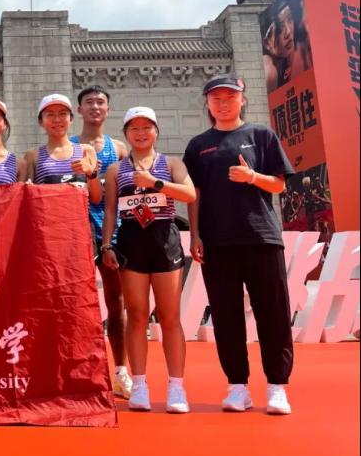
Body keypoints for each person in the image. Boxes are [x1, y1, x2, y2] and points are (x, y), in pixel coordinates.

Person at [184, 75, 295, 415]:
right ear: (207, 103)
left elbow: (279, 185)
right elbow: (194, 194)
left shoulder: (261, 135)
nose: (223, 103)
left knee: (273, 313)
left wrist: (253, 177)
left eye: (230, 97)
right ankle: (237, 387)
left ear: (242, 100)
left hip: (261, 237)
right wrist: (195, 234)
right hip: (218, 243)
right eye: (216, 98)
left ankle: (277, 387)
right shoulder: (198, 145)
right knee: (226, 316)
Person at [102, 106, 196, 413]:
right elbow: (111, 210)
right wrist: (106, 244)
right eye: (134, 128)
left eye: (146, 127)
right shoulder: (116, 170)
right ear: (126, 133)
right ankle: (140, 384)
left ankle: (176, 386)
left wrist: (155, 183)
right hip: (132, 242)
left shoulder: (171, 163)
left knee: (169, 317)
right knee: (137, 314)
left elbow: (189, 195)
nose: (140, 133)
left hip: (164, 240)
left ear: (156, 131)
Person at [71, 85, 132, 399]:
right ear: (79, 110)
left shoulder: (118, 148)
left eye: (100, 102)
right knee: (75, 304)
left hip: (112, 231)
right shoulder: (67, 147)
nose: (95, 107)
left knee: (116, 302)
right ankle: (79, 371)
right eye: (88, 102)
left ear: (108, 109)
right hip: (75, 232)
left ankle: (121, 370)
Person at [24, 94, 101, 202]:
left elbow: (96, 198)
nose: (57, 119)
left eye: (62, 114)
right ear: (41, 121)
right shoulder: (32, 155)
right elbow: (28, 196)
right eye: (50, 115)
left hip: (79, 213)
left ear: (71, 119)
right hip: (47, 213)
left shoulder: (86, 151)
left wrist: (91, 173)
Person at [262, 0, 313, 91]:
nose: (288, 32)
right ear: (267, 43)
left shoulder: (294, 55)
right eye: (280, 27)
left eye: (290, 19)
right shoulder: (269, 70)